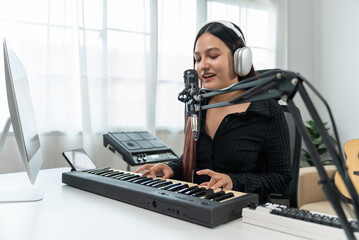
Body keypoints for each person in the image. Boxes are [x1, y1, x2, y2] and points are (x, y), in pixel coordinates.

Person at [136, 20, 291, 203]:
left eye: (213, 56)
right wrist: (172, 168)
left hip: (242, 214)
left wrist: (233, 182)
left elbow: (282, 178)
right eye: (198, 59)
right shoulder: (196, 106)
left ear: (240, 59)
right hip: (197, 208)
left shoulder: (267, 110)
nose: (202, 66)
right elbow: (193, 162)